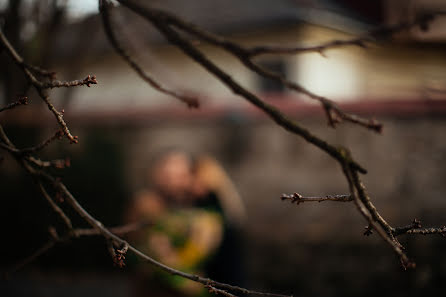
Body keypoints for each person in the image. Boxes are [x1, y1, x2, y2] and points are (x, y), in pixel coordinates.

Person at [126, 151, 245, 296]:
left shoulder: (204, 213)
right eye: (167, 175)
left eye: (179, 176)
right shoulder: (146, 206)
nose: (172, 181)